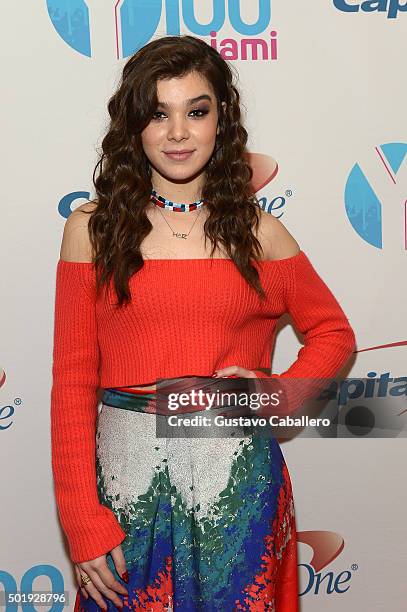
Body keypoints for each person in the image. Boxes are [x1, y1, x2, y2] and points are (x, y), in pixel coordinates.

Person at [50, 35, 356, 612]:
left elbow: (334, 332)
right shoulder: (91, 229)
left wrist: (280, 396)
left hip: (235, 484)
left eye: (196, 111)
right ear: (133, 126)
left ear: (222, 119)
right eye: (158, 114)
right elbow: (71, 383)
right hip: (125, 489)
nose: (179, 133)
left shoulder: (260, 232)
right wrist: (81, 519)